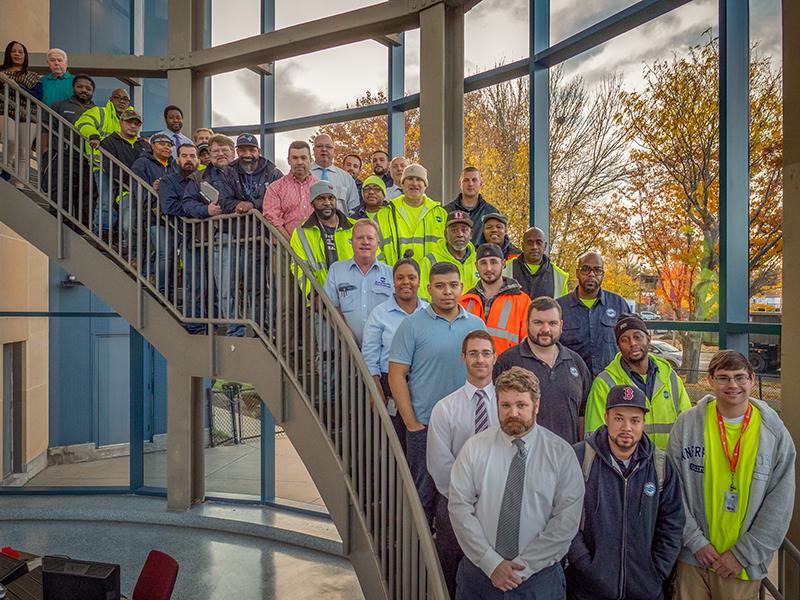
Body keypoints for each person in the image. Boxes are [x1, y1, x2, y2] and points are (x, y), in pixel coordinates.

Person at [667, 350, 796, 600]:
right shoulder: (687, 425)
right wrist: (695, 541)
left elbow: (780, 505)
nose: (732, 385)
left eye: (740, 377)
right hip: (693, 560)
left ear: (752, 379)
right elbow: (673, 490)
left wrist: (742, 554)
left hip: (742, 568)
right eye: (724, 377)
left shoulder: (774, 434)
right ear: (711, 380)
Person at [448, 366, 584, 599]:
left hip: (539, 581)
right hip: (480, 577)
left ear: (536, 406)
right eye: (506, 405)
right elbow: (459, 508)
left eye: (521, 405)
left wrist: (523, 567)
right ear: (497, 405)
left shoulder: (560, 453)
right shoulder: (474, 448)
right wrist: (491, 563)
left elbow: (565, 521)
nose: (513, 413)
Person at [389, 262, 486, 525]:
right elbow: (396, 374)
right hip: (426, 425)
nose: (447, 292)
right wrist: (411, 424)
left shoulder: (476, 325)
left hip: (469, 426)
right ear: (429, 288)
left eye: (453, 285)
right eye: (440, 286)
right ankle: (419, 558)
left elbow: (485, 372)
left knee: (470, 496)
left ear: (461, 288)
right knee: (423, 497)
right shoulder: (411, 325)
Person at [566, 384, 684, 600]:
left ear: (643, 423)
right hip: (588, 590)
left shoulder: (660, 465)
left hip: (644, 589)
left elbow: (672, 523)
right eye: (619, 418)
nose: (626, 427)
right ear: (606, 417)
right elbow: (563, 518)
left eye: (635, 420)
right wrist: (585, 565)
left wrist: (656, 571)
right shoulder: (580, 458)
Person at [427, 330, 499, 598]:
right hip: (455, 505)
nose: (479, 359)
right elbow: (439, 464)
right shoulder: (445, 408)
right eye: (473, 353)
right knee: (451, 570)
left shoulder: (509, 406)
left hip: (500, 504)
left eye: (485, 353)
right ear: (463, 358)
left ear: (494, 357)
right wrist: (469, 499)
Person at [493, 297, 591, 445]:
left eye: (552, 323)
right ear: (527, 324)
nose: (546, 329)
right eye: (538, 322)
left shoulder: (576, 363)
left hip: (566, 457)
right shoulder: (507, 361)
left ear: (561, 325)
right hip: (521, 456)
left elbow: (583, 415)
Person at [584, 314, 691, 450]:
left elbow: (688, 424)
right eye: (625, 340)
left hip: (669, 464)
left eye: (637, 337)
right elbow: (595, 436)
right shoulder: (605, 383)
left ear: (648, 339)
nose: (632, 343)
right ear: (618, 346)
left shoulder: (670, 376)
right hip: (628, 467)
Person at [361, 257, 428, 455]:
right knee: (395, 444)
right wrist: (377, 392)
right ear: (393, 281)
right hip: (389, 384)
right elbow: (369, 356)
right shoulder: (379, 314)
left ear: (419, 281)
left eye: (411, 277)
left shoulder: (430, 311)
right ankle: (397, 486)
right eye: (400, 278)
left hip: (424, 382)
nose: (406, 282)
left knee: (421, 442)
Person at [182, 134, 239, 334]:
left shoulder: (248, 173)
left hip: (251, 237)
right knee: (224, 289)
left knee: (256, 289)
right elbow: (187, 203)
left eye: (225, 150)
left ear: (233, 152)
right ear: (209, 155)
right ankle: (235, 329)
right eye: (216, 151)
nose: (221, 154)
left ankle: (261, 328)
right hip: (220, 237)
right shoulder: (199, 178)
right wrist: (207, 211)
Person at [159, 143, 209, 333]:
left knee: (211, 285)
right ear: (177, 159)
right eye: (184, 155)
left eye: (192, 156)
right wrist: (195, 210)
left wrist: (195, 209)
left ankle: (210, 322)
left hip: (208, 236)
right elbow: (169, 207)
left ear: (198, 159)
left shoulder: (204, 179)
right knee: (193, 283)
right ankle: (195, 325)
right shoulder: (168, 181)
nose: (189, 159)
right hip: (187, 238)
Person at [557, 251, 631, 376]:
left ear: (603, 275)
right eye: (586, 269)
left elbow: (632, 341)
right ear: (577, 272)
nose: (591, 274)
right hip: (573, 381)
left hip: (611, 381)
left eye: (597, 270)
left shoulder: (618, 304)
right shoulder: (559, 307)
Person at [323, 219, 394, 346]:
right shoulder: (336, 270)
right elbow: (330, 308)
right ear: (351, 242)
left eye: (370, 238)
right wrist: (347, 337)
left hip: (382, 350)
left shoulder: (391, 274)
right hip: (345, 350)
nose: (365, 242)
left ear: (378, 243)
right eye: (360, 238)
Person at [461, 243, 530, 355]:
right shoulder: (464, 301)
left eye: (493, 262)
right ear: (476, 266)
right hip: (472, 369)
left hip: (509, 369)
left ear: (503, 264)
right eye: (483, 263)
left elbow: (528, 344)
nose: (488, 268)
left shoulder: (522, 301)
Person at [375, 163, 447, 265]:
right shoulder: (384, 214)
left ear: (425, 185)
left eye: (419, 179)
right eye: (410, 179)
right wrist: (386, 274)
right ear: (402, 184)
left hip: (431, 280)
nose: (414, 183)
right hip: (393, 278)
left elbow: (447, 250)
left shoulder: (441, 214)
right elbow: (374, 248)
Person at [289, 180, 354, 292]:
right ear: (312, 203)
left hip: (356, 295)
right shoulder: (301, 233)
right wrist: (312, 294)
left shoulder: (356, 227)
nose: (327, 202)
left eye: (331, 198)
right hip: (321, 298)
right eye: (321, 199)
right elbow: (298, 267)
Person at [131, 131, 176, 289]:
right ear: (153, 146)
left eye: (170, 145)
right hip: (151, 216)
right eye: (162, 143)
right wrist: (152, 189)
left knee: (164, 254)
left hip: (171, 216)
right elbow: (138, 190)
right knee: (164, 253)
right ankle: (160, 289)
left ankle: (152, 281)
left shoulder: (174, 166)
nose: (167, 147)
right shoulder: (142, 163)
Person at [98, 109, 150, 243]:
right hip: (124, 190)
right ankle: (128, 249)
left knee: (145, 227)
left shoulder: (145, 145)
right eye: (129, 122)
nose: (133, 126)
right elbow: (110, 167)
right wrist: (133, 182)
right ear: (121, 122)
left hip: (145, 192)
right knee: (128, 224)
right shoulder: (109, 142)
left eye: (137, 124)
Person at [0, 41, 42, 184]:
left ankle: (20, 184)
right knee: (10, 139)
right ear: (8, 54)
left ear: (25, 55)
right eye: (14, 51)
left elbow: (37, 96)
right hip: (5, 111)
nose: (17, 54)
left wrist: (17, 86)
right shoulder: (1, 72)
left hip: (28, 115)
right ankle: (6, 170)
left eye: (20, 52)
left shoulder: (33, 76)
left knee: (24, 150)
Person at [418, 211, 478, 300]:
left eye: (464, 230)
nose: (460, 234)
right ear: (445, 235)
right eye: (454, 230)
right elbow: (422, 298)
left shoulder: (479, 261)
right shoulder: (430, 261)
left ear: (471, 234)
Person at [264, 140, 317, 239]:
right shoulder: (275, 188)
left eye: (303, 158)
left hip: (316, 248)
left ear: (311, 160)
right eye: (295, 158)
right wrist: (291, 244)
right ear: (288, 160)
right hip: (284, 249)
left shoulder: (319, 187)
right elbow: (273, 219)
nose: (299, 162)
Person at [221, 133, 283, 217]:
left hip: (267, 226)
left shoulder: (274, 173)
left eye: (252, 150)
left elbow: (280, 199)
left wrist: (253, 204)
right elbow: (223, 200)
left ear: (259, 151)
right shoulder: (228, 172)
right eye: (243, 150)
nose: (247, 154)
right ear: (237, 152)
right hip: (237, 227)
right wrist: (239, 205)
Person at [504, 227, 570, 299]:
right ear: (522, 245)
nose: (534, 247)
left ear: (545, 246)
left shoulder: (560, 276)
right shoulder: (504, 270)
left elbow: (564, 308)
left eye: (538, 243)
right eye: (529, 243)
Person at [444, 167, 499, 246]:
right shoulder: (446, 211)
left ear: (481, 184)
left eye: (474, 180)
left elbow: (501, 242)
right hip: (452, 258)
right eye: (466, 180)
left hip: (481, 257)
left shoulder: (491, 212)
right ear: (460, 184)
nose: (470, 184)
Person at [310, 134, 360, 215]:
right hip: (309, 226)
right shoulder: (304, 176)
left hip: (340, 226)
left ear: (334, 151)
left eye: (328, 147)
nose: (324, 149)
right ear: (313, 150)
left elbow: (354, 210)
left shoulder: (347, 178)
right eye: (319, 146)